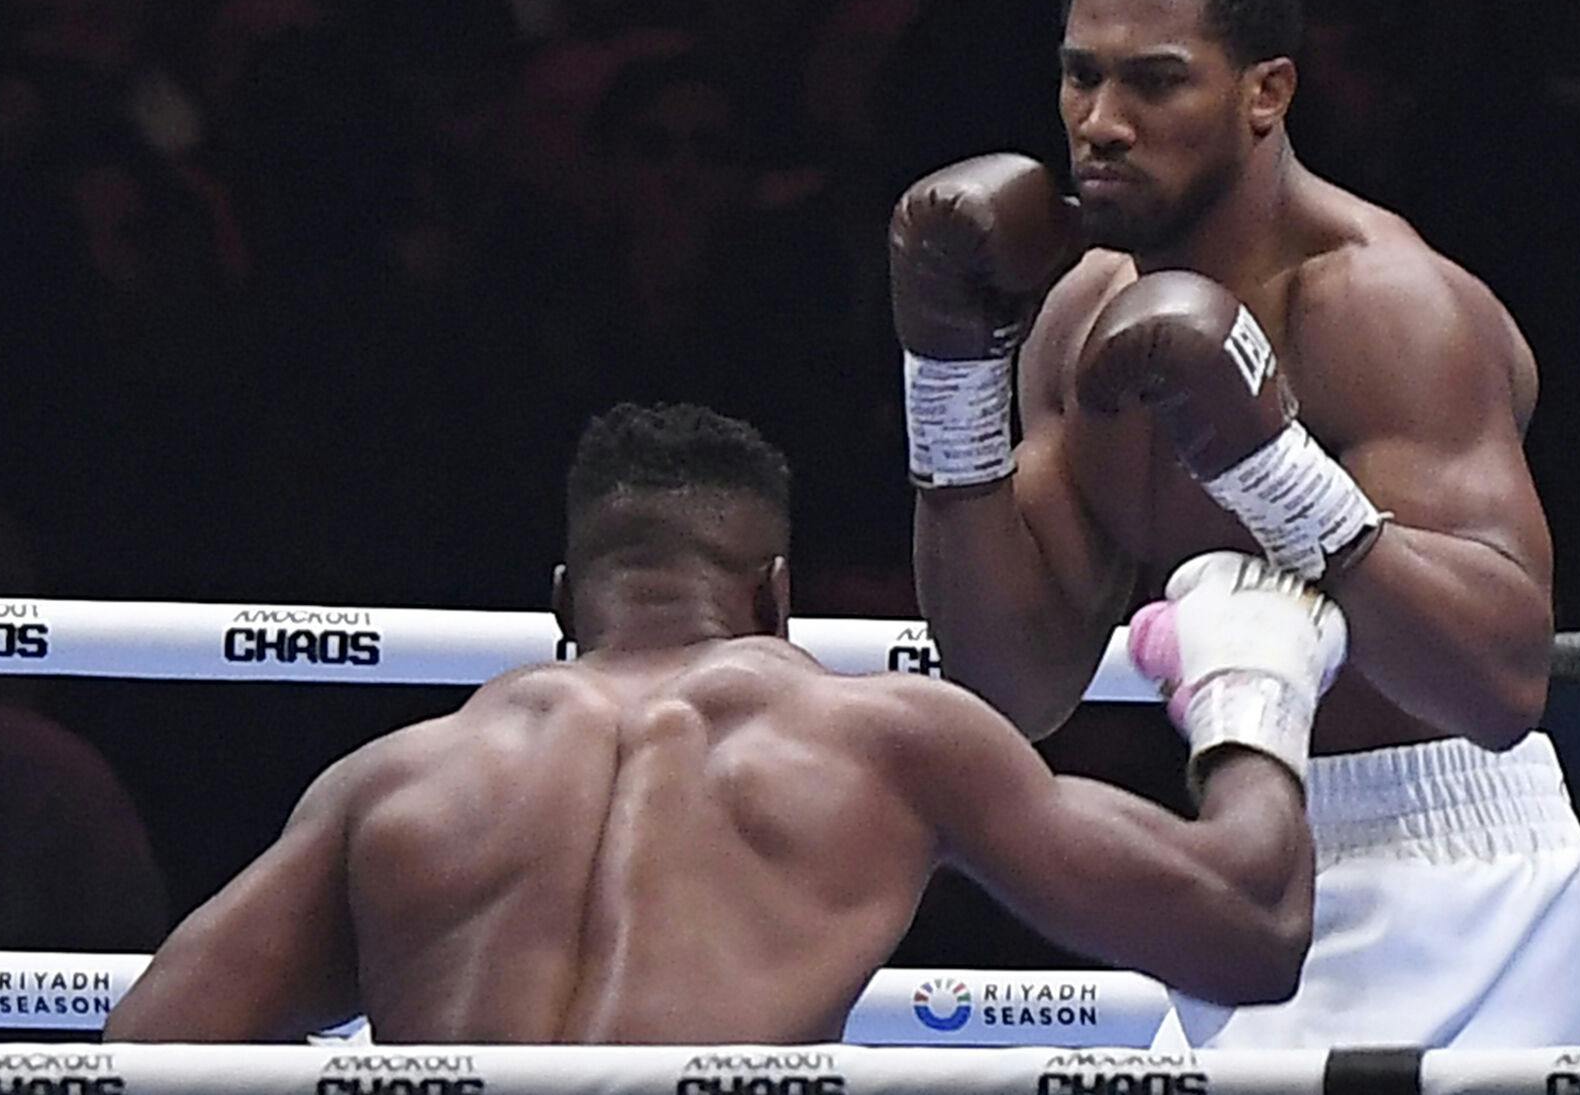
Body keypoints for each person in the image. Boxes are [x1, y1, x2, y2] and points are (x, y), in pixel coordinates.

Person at [889, 0, 1580, 1047]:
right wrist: (950, 376)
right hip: (1240, 861)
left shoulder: (1382, 307)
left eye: (1156, 81)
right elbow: (1017, 684)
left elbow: (1502, 683)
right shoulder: (1085, 313)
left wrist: (1277, 472)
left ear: (1265, 92)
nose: (1102, 121)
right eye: (1082, 76)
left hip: (1454, 872)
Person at [104, 401, 1346, 1044]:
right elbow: (1246, 929)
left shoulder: (393, 783)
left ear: (560, 605)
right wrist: (1252, 692)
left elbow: (138, 1052)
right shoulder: (888, 736)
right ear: (778, 598)